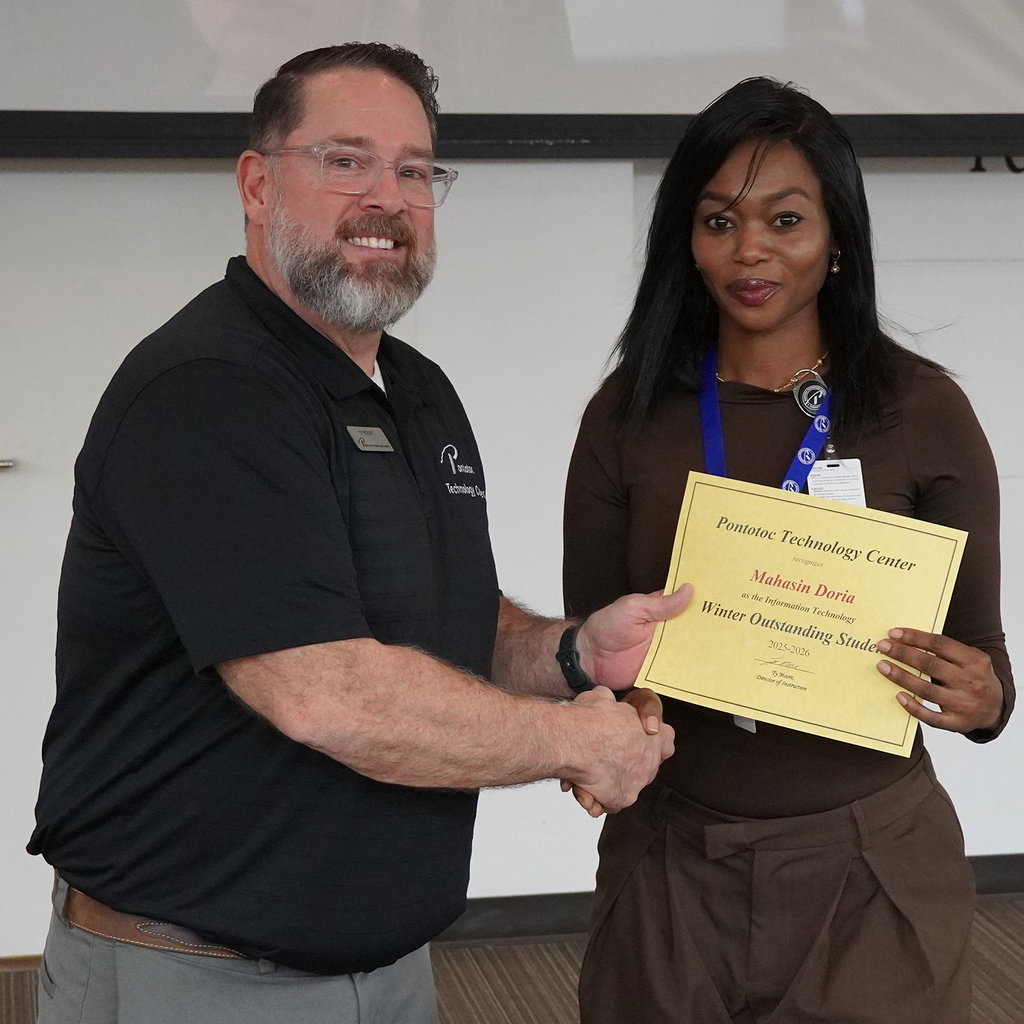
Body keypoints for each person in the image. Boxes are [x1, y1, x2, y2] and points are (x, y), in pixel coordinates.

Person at [28, 43, 688, 1024]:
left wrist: (568, 653)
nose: (387, 196)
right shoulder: (208, 391)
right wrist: (570, 743)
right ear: (258, 184)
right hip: (197, 975)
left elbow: (438, 622)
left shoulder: (418, 392)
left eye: (415, 170)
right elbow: (326, 691)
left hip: (386, 971)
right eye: (345, 160)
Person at [563, 77, 1014, 1024]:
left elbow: (988, 678)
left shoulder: (923, 411)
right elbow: (591, 654)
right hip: (670, 865)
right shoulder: (628, 415)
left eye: (786, 219)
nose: (751, 249)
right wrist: (612, 710)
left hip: (870, 873)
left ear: (838, 238)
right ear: (685, 242)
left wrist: (978, 698)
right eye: (719, 221)